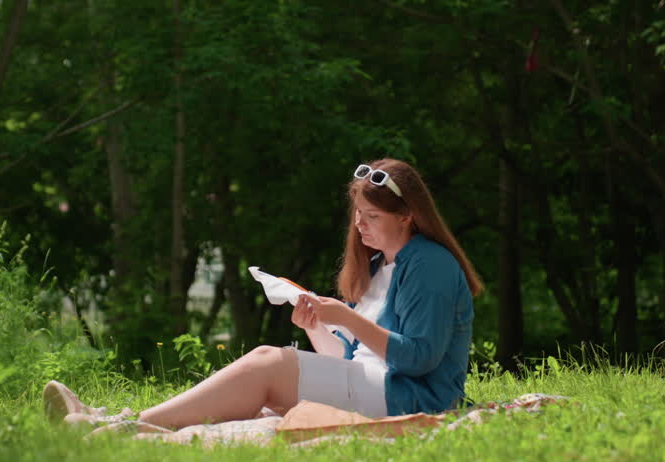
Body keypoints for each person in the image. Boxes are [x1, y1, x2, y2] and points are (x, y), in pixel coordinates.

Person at [44, 158, 484, 431]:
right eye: (357, 216)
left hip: (416, 399)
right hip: (381, 389)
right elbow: (350, 364)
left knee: (266, 362)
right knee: (267, 367)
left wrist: (347, 318)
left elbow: (420, 359)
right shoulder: (379, 265)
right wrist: (318, 326)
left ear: (407, 215)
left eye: (371, 216)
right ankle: (118, 421)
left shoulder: (429, 264)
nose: (360, 226)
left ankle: (122, 424)